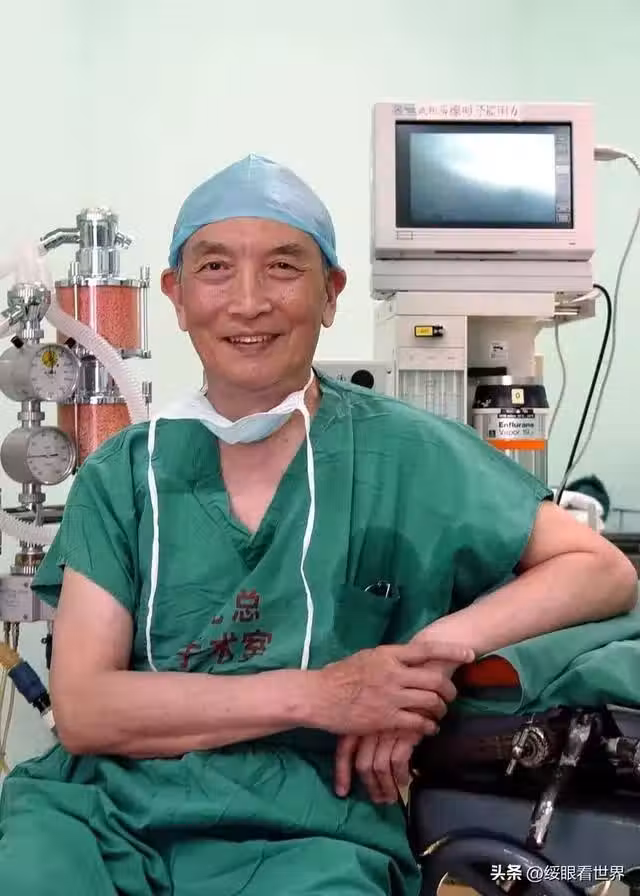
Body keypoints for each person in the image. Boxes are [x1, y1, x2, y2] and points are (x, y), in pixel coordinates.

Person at [0, 154, 636, 896]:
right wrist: (323, 694)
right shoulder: (122, 475)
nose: (248, 302)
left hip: (309, 824)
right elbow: (84, 710)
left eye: (283, 266)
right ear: (175, 295)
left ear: (331, 293)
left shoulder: (406, 454)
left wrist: (425, 655)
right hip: (98, 813)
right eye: (215, 268)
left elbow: (599, 569)